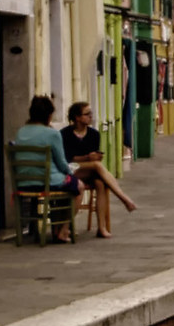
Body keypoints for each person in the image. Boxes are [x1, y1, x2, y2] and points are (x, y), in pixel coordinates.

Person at [12, 95, 83, 243]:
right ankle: (63, 230)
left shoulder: (20, 132)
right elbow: (62, 163)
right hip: (47, 181)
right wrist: (72, 173)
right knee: (77, 186)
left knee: (64, 183)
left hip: (24, 182)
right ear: (49, 115)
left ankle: (56, 229)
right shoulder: (52, 134)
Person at [63, 102, 138, 237]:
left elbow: (94, 158)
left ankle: (101, 227)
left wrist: (95, 157)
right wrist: (87, 157)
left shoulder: (94, 134)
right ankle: (123, 198)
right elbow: (68, 159)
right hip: (72, 171)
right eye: (87, 114)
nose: (90, 116)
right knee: (97, 166)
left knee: (100, 183)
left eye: (91, 113)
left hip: (88, 170)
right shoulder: (65, 134)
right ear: (77, 117)